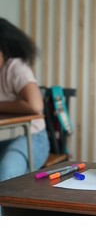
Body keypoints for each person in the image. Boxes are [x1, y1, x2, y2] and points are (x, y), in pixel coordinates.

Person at [0, 17, 50, 182]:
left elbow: (35, 106)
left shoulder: (15, 67)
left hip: (31, 138)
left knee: (6, 173)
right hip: (3, 136)